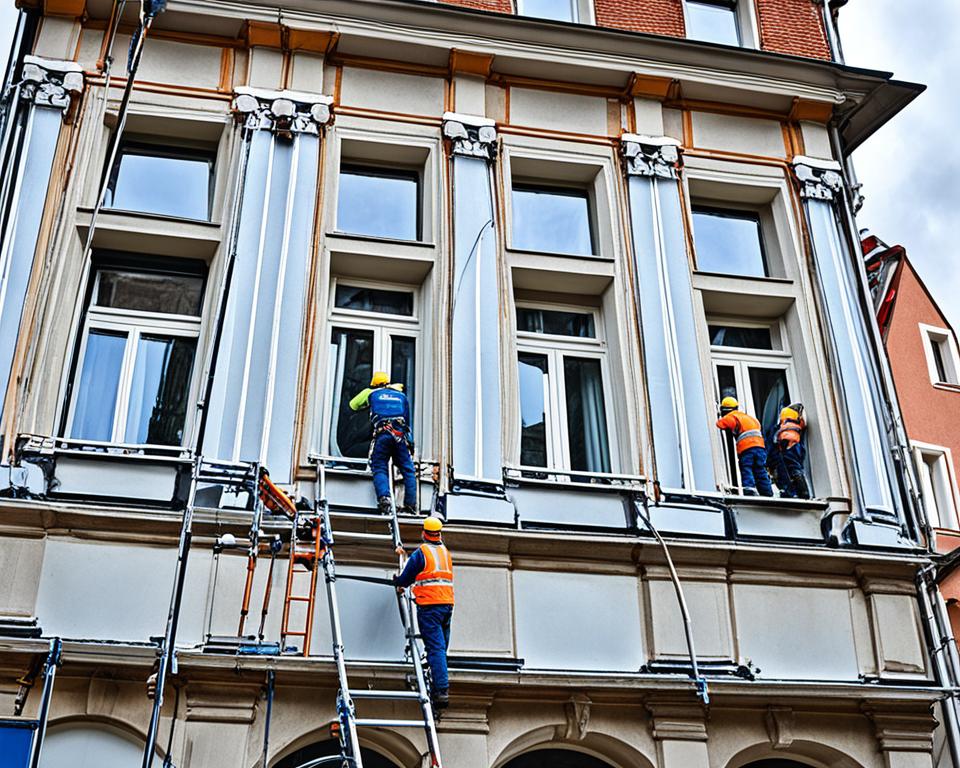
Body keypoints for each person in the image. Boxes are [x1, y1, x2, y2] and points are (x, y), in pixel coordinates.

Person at [393, 517, 454, 710]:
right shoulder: (445, 552)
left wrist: (398, 582)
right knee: (440, 649)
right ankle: (437, 679)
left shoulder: (422, 553)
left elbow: (407, 577)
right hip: (447, 604)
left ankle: (441, 690)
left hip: (430, 606)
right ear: (439, 533)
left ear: (424, 532)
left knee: (435, 648)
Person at [349, 372, 417, 514]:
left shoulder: (372, 393)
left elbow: (353, 405)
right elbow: (407, 421)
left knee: (379, 466)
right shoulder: (401, 396)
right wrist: (409, 442)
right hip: (399, 434)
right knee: (408, 469)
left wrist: (369, 401)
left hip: (383, 433)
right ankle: (411, 504)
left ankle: (384, 498)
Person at [716, 396, 773, 497]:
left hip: (747, 448)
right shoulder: (750, 418)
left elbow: (720, 424)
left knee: (747, 469)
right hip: (760, 447)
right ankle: (767, 493)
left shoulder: (731, 416)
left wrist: (718, 415)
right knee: (760, 470)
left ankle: (750, 491)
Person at [768, 403, 811, 499]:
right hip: (795, 446)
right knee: (794, 468)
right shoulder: (796, 425)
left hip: (788, 446)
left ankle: (801, 492)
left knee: (792, 469)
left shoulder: (785, 426)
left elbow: (780, 438)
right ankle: (801, 491)